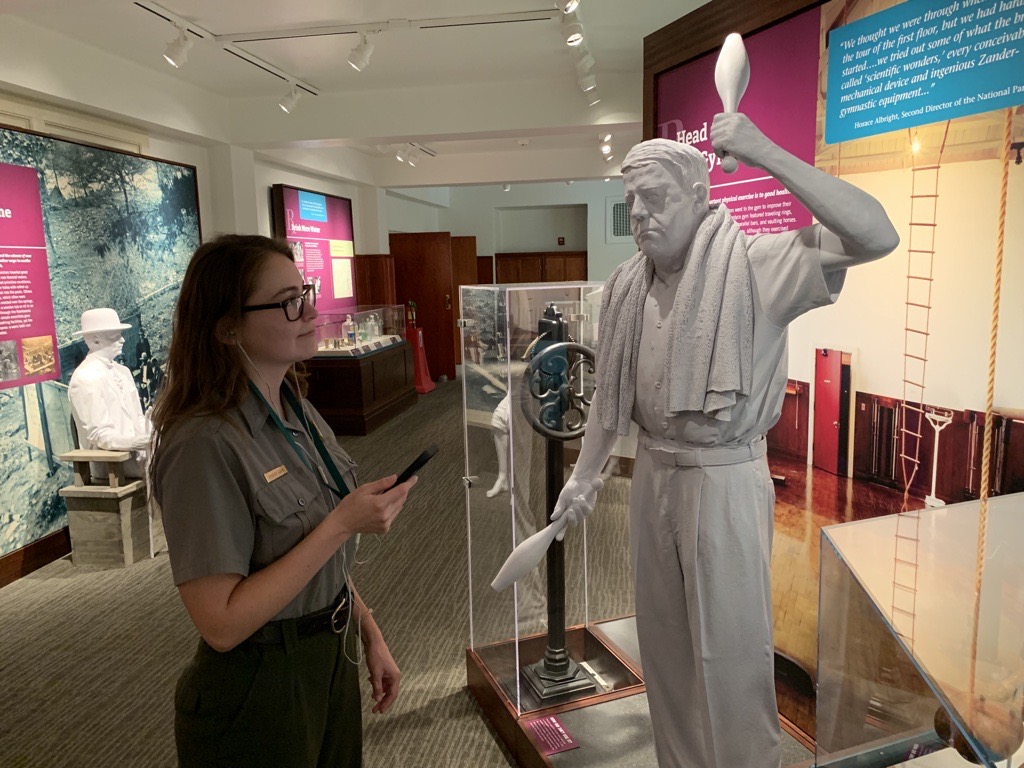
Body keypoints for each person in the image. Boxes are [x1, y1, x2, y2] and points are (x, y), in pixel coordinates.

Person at [550, 113, 899, 768]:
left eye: (655, 200)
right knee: (666, 649)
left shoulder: (754, 266)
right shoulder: (630, 288)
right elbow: (611, 397)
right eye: (632, 204)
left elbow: (876, 233)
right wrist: (585, 475)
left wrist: (768, 151)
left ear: (699, 196)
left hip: (725, 476)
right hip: (655, 472)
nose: (641, 217)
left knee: (731, 652)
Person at [149, 234, 417, 768]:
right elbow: (220, 623)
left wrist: (368, 631)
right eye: (289, 301)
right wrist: (342, 525)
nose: (312, 311)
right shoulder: (204, 442)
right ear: (227, 327)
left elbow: (307, 551)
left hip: (329, 656)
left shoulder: (296, 409)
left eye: (307, 291)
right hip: (260, 685)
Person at [68, 308, 151, 478]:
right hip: (113, 465)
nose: (122, 340)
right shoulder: (85, 378)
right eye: (114, 336)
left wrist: (154, 430)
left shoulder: (123, 372)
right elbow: (99, 434)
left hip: (138, 455)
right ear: (95, 340)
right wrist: (134, 443)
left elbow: (138, 417)